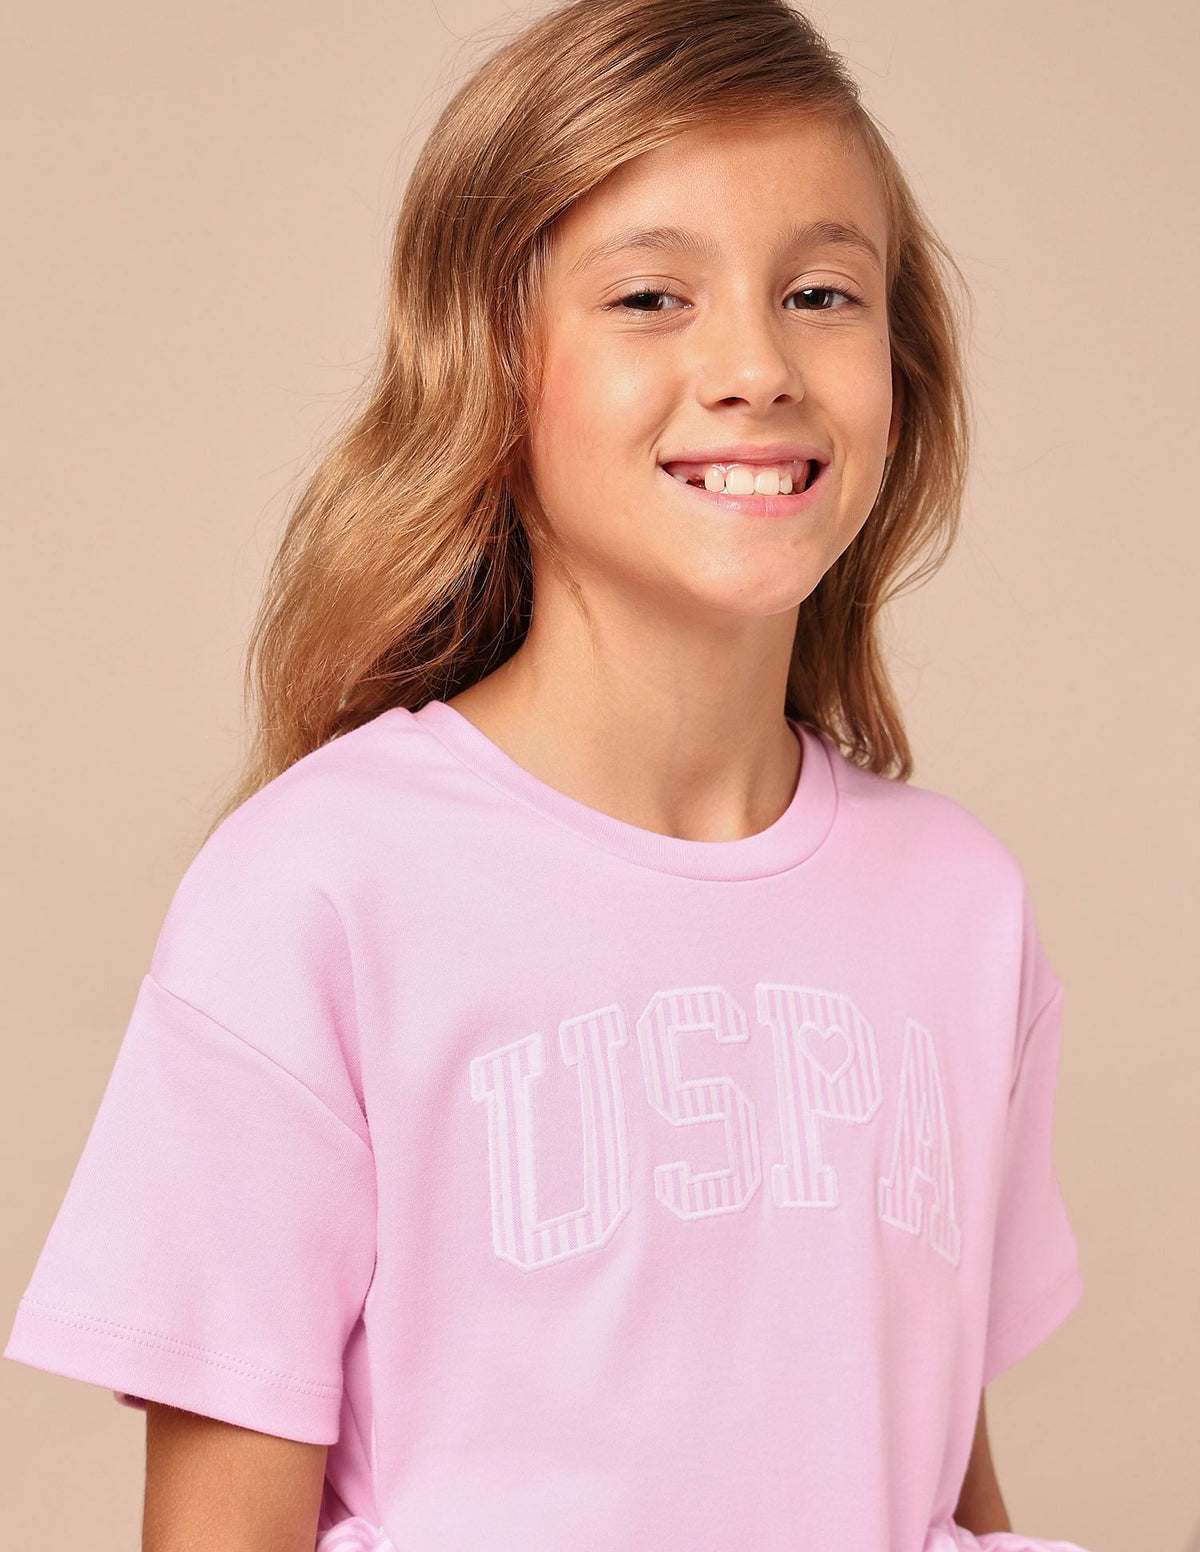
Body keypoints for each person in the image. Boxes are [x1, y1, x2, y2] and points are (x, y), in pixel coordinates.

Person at [3, 1, 1091, 1548]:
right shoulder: (316, 896)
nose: (756, 365)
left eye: (822, 293)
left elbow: (933, 1479)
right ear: (494, 364)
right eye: (651, 295)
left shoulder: (961, 905)